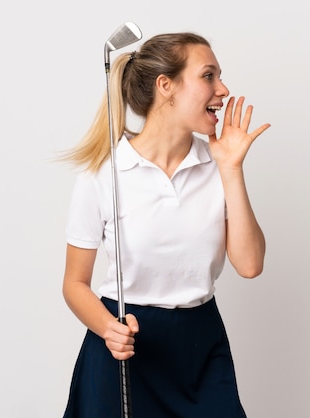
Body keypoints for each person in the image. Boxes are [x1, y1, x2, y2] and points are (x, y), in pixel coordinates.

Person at [60, 31, 270, 418]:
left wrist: (231, 169)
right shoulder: (103, 173)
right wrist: (108, 329)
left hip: (200, 347)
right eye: (208, 76)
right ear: (166, 86)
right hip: (125, 345)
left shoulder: (218, 165)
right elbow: (74, 284)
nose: (222, 89)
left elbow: (250, 264)